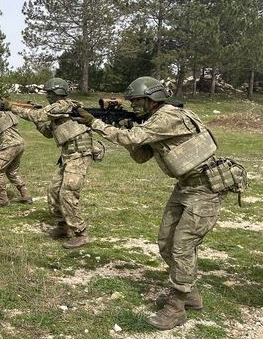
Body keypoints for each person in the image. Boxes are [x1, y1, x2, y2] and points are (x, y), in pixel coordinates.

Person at [73, 76, 222, 330]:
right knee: (166, 242)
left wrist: (97, 124)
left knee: (182, 246)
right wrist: (126, 127)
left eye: (137, 101)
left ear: (152, 99)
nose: (133, 106)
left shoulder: (168, 117)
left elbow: (131, 139)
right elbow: (141, 155)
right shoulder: (154, 121)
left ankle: (176, 307)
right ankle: (191, 294)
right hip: (185, 187)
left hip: (205, 188)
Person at [2, 78, 99, 249]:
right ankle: (63, 226)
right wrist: (39, 123)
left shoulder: (64, 105)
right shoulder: (58, 113)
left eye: (49, 93)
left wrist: (11, 106)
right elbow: (48, 132)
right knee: (53, 191)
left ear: (58, 93)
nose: (47, 96)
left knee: (68, 192)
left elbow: (38, 114)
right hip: (67, 156)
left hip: (80, 154)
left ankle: (80, 233)